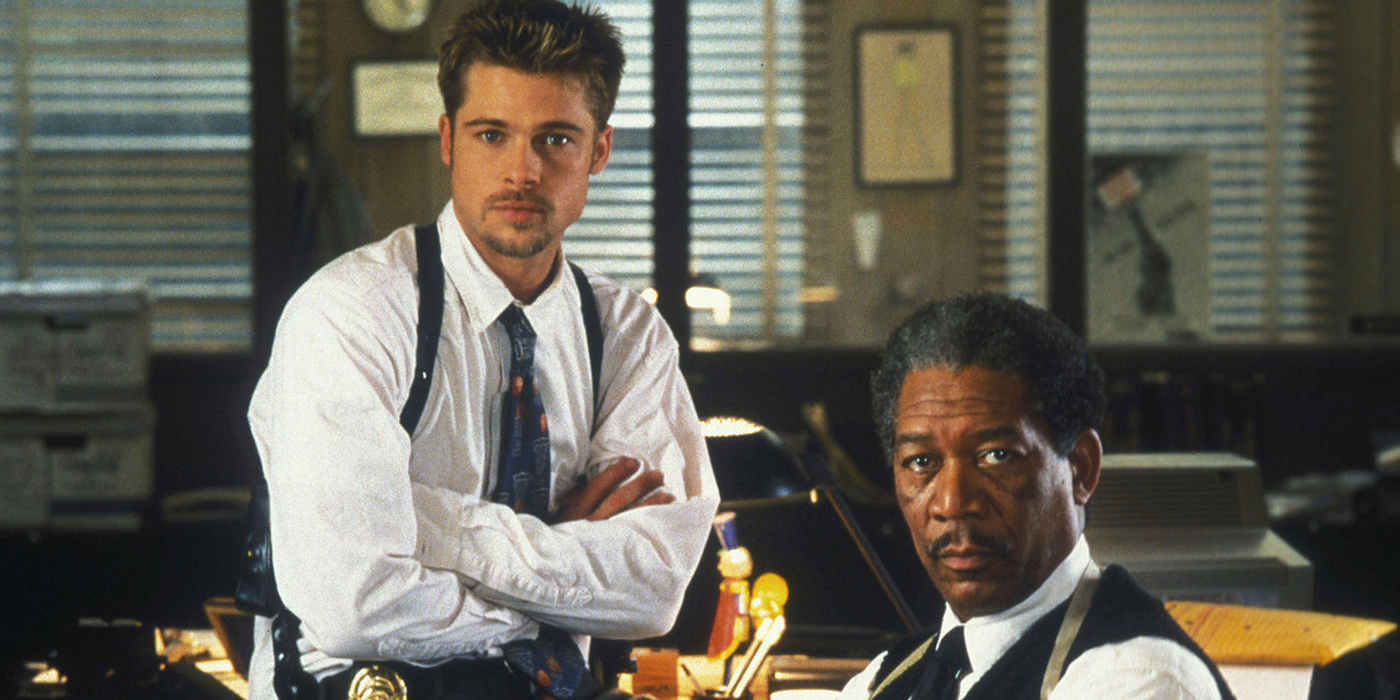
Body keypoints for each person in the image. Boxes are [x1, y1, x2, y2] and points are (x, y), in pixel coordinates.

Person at [245, 2, 720, 699]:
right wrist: (551, 581)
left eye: (556, 139)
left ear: (599, 151)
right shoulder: (350, 313)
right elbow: (355, 604)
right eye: (492, 135)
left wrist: (425, 524)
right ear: (449, 141)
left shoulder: (628, 336)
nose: (522, 171)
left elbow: (652, 589)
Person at [838, 292, 1235, 700]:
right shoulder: (881, 680)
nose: (952, 504)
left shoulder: (1139, 677)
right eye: (921, 462)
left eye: (996, 456)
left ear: (1081, 468)